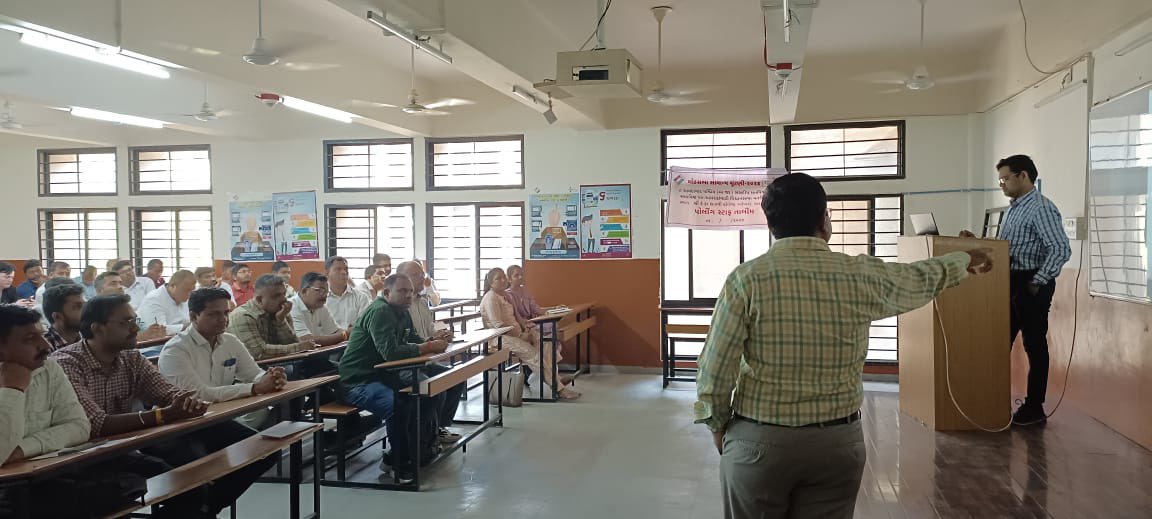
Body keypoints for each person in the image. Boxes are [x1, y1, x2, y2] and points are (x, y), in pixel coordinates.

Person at [696, 173, 994, 519]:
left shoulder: (745, 280)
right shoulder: (858, 275)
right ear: (824, 221)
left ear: (771, 224)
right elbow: (919, 277)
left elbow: (716, 366)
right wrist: (964, 258)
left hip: (758, 443)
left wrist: (716, 424)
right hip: (836, 445)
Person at [52, 294, 275, 518]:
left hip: (124, 444)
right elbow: (95, 424)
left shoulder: (131, 358)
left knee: (256, 452)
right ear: (97, 328)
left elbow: (169, 393)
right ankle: (202, 508)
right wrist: (162, 415)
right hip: (78, 456)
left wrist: (187, 402)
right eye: (126, 323)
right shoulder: (68, 363)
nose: (135, 329)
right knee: (188, 482)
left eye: (135, 321)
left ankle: (204, 508)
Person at [960, 155, 1071, 426]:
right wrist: (979, 242)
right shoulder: (1014, 208)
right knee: (999, 342)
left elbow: (1060, 249)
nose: (1002, 184)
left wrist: (1036, 282)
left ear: (1023, 176)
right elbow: (1008, 247)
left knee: (1034, 345)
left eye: (1005, 178)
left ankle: (1035, 408)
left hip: (1031, 284)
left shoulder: (1041, 208)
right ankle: (992, 400)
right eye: (1000, 179)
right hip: (1010, 281)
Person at [339, 274, 463, 482]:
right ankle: (399, 461)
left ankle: (423, 445)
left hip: (385, 373)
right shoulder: (380, 311)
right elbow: (391, 353)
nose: (408, 295)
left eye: (410, 291)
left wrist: (431, 340)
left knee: (439, 383)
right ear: (387, 293)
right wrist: (428, 346)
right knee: (399, 406)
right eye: (402, 291)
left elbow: (412, 339)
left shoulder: (402, 311)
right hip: (359, 380)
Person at [158, 287, 288, 430]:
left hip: (220, 415)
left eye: (226, 313)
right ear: (194, 317)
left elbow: (253, 374)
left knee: (271, 413)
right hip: (184, 424)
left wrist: (271, 378)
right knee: (256, 439)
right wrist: (255, 388)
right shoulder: (176, 350)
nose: (223, 319)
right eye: (214, 314)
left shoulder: (230, 341)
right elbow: (199, 395)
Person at [0, 304, 90, 464]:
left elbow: (79, 427)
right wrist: (13, 388)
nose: (46, 346)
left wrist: (22, 449)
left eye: (42, 336)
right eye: (30, 339)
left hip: (45, 472)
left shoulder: (48, 367)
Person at [480, 268, 579, 400]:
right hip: (500, 338)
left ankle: (556, 378)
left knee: (547, 343)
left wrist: (526, 330)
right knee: (534, 355)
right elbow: (498, 325)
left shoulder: (505, 295)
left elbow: (518, 318)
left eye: (503, 277)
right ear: (490, 282)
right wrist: (520, 335)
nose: (503, 280)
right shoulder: (490, 298)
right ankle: (559, 389)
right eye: (498, 278)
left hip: (517, 332)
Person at [227, 274, 317, 361]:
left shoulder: (280, 311)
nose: (284, 299)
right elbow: (259, 353)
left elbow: (293, 343)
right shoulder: (243, 315)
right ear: (259, 300)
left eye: (284, 294)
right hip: (248, 372)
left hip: (278, 365)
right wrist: (298, 347)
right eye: (276, 296)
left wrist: (281, 321)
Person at [396, 261, 452, 342]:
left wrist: (441, 335)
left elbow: (430, 331)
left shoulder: (423, 302)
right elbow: (402, 340)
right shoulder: (397, 305)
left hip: (429, 351)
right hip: (412, 353)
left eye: (423, 274)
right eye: (416, 275)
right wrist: (428, 341)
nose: (422, 278)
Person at [290, 272, 347, 346]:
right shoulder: (291, 306)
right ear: (304, 291)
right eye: (321, 290)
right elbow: (306, 340)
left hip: (317, 353)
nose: (325, 296)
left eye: (327, 292)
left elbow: (335, 331)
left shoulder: (321, 306)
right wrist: (345, 335)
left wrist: (350, 332)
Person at [137, 270, 197, 335]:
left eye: (192, 290)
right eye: (186, 290)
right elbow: (158, 330)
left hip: (179, 338)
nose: (189, 294)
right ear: (172, 286)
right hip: (153, 342)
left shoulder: (182, 297)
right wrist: (185, 327)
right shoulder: (154, 299)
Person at [324, 256, 369, 330]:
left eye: (346, 269)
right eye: (338, 269)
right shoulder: (320, 297)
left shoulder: (361, 297)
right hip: (326, 340)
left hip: (353, 340)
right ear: (327, 272)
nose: (344, 272)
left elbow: (363, 326)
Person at [41, 283, 85, 351]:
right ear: (58, 317)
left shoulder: (90, 337)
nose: (86, 310)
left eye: (85, 305)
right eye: (78, 307)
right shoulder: (44, 347)